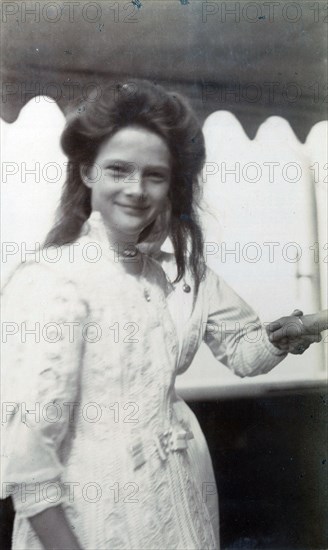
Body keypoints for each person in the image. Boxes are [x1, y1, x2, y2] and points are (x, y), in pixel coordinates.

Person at [1, 80, 325, 550]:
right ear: (87, 172)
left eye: (154, 175)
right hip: (91, 509)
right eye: (118, 170)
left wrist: (310, 324)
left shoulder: (162, 275)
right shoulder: (53, 279)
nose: (136, 189)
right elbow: (29, 462)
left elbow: (241, 350)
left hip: (176, 489)